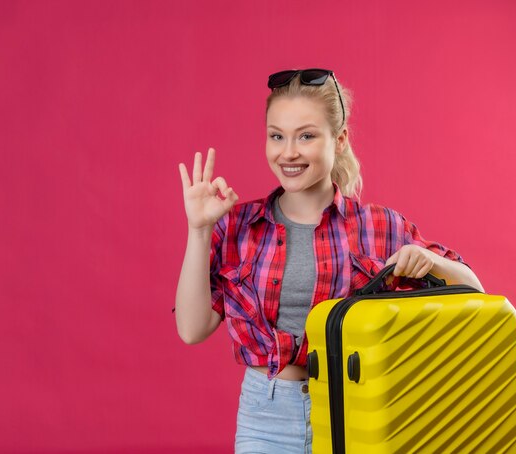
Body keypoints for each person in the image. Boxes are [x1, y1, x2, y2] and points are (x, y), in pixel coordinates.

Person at [174, 68, 484, 454]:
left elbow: (475, 290)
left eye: (306, 135)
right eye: (277, 136)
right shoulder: (237, 224)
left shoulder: (379, 226)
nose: (288, 151)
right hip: (266, 418)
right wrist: (199, 229)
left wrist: (426, 259)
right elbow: (191, 329)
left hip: (357, 411)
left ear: (339, 141)